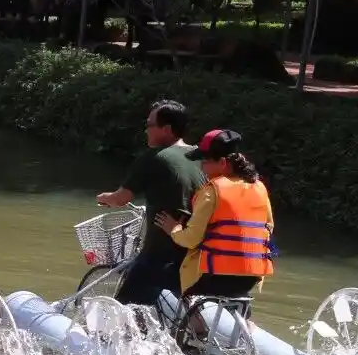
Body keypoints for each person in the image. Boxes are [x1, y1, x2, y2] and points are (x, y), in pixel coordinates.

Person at [95, 100, 206, 310]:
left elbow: (121, 198)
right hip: (196, 253)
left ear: (166, 129)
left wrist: (104, 198)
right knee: (185, 308)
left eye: (149, 125)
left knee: (122, 310)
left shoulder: (154, 158)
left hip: (161, 254)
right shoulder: (201, 157)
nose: (146, 130)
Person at [154, 129, 275, 302]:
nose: (201, 167)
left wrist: (174, 228)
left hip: (215, 276)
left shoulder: (212, 191)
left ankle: (191, 318)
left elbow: (191, 240)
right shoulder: (259, 187)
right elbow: (268, 228)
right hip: (251, 276)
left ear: (223, 163)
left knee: (162, 281)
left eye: (205, 161)